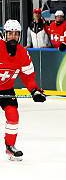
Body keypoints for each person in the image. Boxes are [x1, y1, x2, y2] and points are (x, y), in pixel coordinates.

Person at [0, 20, 46, 161]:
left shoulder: (22, 53)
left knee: (13, 116)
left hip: (6, 89)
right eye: (10, 34)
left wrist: (34, 91)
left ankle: (10, 147)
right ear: (4, 35)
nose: (13, 37)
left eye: (16, 34)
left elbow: (28, 77)